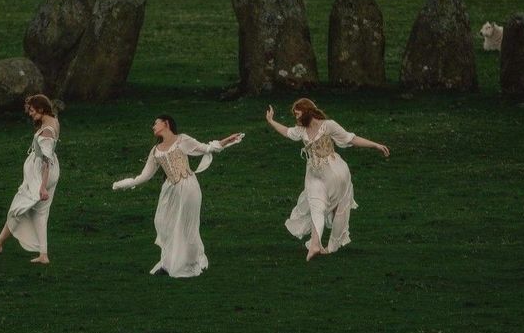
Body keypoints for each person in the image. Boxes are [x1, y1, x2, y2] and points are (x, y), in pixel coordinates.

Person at [113, 116, 244, 278]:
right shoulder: (156, 150)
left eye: (156, 122)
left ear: (166, 124)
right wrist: (121, 184)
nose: (153, 126)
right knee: (164, 223)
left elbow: (206, 148)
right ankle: (168, 263)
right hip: (170, 190)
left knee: (187, 225)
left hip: (188, 186)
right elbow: (144, 176)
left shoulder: (182, 140)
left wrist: (227, 140)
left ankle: (190, 262)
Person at [266, 98, 389, 261]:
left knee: (332, 207)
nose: (296, 118)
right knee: (316, 205)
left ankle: (324, 242)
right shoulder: (301, 130)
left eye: (298, 114)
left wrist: (376, 145)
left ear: (307, 112)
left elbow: (350, 138)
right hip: (314, 175)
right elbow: (287, 132)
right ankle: (315, 246)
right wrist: (271, 121)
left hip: (334, 172)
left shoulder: (328, 125)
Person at [0, 94, 60, 265]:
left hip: (41, 175)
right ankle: (43, 255)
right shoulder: (52, 120)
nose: (30, 114)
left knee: (17, 209)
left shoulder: (47, 130)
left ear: (41, 109)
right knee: (40, 213)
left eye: (32, 110)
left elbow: (46, 160)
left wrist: (43, 187)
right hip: (46, 172)